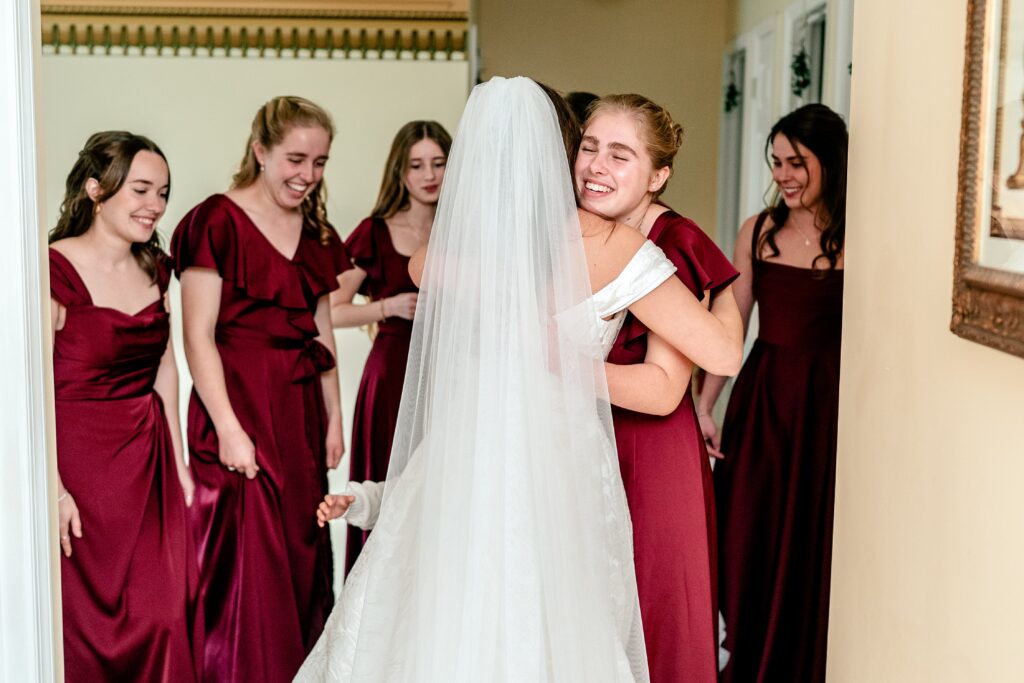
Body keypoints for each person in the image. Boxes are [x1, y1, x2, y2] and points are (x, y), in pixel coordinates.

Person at [297, 76, 743, 683]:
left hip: (474, 446)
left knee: (458, 610)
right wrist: (724, 287)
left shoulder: (463, 250)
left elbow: (421, 266)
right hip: (561, 460)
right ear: (562, 153)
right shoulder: (617, 246)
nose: (595, 164)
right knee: (552, 619)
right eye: (587, 148)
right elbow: (722, 354)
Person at [171, 96, 349, 682]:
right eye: (296, 159)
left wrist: (334, 415)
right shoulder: (215, 221)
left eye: (319, 162)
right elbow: (197, 335)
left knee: (301, 557)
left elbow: (321, 330)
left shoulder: (316, 230)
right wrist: (227, 429)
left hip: (298, 410)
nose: (308, 174)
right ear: (260, 151)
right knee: (247, 564)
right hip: (236, 405)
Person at [574, 93, 741, 682]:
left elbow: (664, 387)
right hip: (586, 443)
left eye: (620, 155)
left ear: (657, 176)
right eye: (589, 147)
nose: (596, 166)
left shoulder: (670, 243)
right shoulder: (582, 229)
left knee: (652, 617)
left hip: (648, 453)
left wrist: (550, 364)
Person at [699, 103, 848, 683]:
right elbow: (731, 326)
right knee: (748, 534)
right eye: (777, 162)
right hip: (763, 405)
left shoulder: (858, 235)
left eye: (797, 163)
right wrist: (705, 405)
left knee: (811, 539)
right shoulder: (758, 231)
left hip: (826, 409)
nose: (783, 175)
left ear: (830, 163)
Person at [49, 131, 201, 681]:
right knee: (78, 629)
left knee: (163, 617)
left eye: (163, 192)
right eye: (140, 189)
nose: (155, 205)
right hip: (76, 465)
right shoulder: (51, 269)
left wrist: (179, 464)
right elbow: (27, 387)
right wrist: (53, 488)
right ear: (96, 189)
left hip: (147, 460)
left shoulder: (157, 269)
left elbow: (165, 366)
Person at [331, 120, 452, 574]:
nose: (429, 175)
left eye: (438, 163)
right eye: (417, 165)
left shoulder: (464, 230)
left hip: (449, 373)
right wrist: (387, 307)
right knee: (387, 480)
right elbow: (330, 310)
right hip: (391, 376)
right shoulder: (375, 231)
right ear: (399, 171)